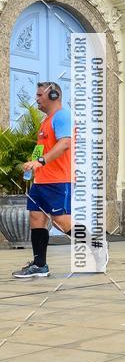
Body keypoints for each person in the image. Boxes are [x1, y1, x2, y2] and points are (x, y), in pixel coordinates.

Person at [12, 82, 72, 279]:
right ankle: (39, 265)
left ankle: (96, 245)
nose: (36, 99)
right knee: (36, 218)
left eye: (39, 95)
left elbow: (65, 143)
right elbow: (41, 148)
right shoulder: (45, 121)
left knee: (61, 222)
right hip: (41, 180)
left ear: (53, 95)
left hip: (58, 180)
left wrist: (40, 161)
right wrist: (32, 165)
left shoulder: (62, 116)